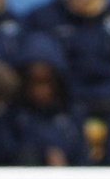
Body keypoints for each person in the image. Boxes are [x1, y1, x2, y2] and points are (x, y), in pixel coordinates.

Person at [17, 34, 89, 166]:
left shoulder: (73, 114)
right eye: (33, 82)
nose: (40, 91)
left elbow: (84, 160)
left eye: (47, 82)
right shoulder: (11, 118)